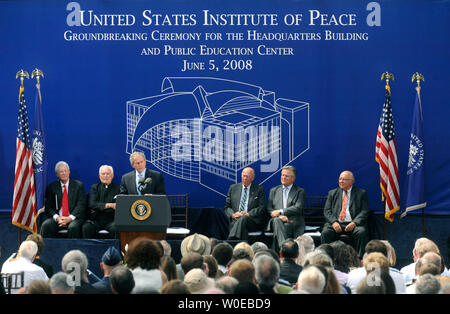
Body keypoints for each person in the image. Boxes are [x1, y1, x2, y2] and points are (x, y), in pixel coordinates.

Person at [321, 170, 370, 258]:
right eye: (340, 179)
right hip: (336, 223)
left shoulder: (361, 193)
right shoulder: (332, 193)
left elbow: (365, 211)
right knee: (326, 232)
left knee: (361, 232)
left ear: (351, 181)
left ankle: (360, 259)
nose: (341, 181)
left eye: (344, 179)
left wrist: (354, 222)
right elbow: (327, 211)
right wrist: (334, 222)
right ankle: (326, 258)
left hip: (353, 224)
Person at [40, 161, 86, 238]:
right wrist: (57, 218)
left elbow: (81, 205)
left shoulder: (78, 185)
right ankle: (47, 249)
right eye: (61, 172)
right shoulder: (52, 187)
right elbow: (48, 207)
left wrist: (69, 218)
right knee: (46, 225)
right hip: (58, 218)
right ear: (57, 174)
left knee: (73, 227)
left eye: (65, 171)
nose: (64, 173)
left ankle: (73, 250)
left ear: (69, 172)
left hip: (73, 218)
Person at [266, 165, 305, 252]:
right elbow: (269, 208)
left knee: (284, 226)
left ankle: (279, 252)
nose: (283, 177)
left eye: (286, 176)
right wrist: (279, 216)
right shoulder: (274, 190)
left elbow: (298, 208)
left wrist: (280, 212)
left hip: (292, 221)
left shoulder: (299, 191)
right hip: (275, 220)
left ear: (293, 178)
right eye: (282, 175)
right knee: (277, 221)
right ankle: (286, 250)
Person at [224, 167, 267, 240]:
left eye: (247, 176)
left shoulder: (259, 189)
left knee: (243, 218)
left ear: (252, 178)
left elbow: (262, 208)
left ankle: (231, 240)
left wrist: (249, 213)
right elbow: (227, 207)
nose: (245, 178)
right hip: (236, 218)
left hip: (252, 220)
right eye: (243, 176)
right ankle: (242, 245)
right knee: (239, 222)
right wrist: (233, 214)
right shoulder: (233, 188)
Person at [82, 165, 120, 239]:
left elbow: (118, 206)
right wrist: (110, 205)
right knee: (86, 227)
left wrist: (100, 206)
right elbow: (92, 204)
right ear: (99, 176)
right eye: (103, 174)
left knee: (116, 228)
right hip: (96, 219)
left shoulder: (118, 189)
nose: (105, 176)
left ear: (112, 176)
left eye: (107, 174)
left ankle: (114, 250)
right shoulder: (94, 188)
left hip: (111, 220)